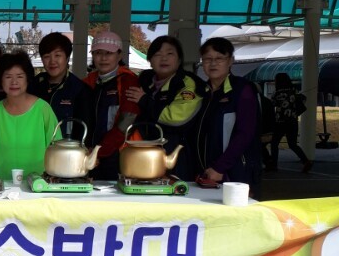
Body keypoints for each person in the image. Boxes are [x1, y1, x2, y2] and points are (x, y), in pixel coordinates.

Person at [124, 35, 204, 181]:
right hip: (143, 154)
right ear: (150, 60)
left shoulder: (187, 83)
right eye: (157, 54)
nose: (164, 58)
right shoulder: (145, 80)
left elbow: (176, 118)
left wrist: (144, 100)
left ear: (179, 59)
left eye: (170, 53)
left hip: (176, 156)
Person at [194, 37, 262, 190]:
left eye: (219, 58)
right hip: (205, 172)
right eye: (207, 59)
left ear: (231, 61)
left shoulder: (242, 89)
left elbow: (245, 133)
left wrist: (219, 167)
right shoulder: (200, 92)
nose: (213, 63)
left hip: (235, 173)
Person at [0, 51, 58, 181]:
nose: (14, 82)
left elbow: (56, 145)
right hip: (0, 182)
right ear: (0, 80)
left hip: (38, 182)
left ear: (28, 79)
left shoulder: (43, 109)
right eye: (8, 77)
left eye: (20, 76)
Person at [83, 31, 141, 180]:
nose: (103, 58)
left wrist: (100, 150)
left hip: (119, 154)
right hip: (88, 154)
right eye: (98, 53)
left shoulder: (127, 80)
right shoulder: (88, 82)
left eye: (109, 53)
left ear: (119, 55)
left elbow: (128, 118)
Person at [34, 32, 92, 139]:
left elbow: (85, 130)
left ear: (67, 57)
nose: (52, 61)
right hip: (35, 146)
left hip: (65, 147)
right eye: (47, 56)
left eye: (57, 55)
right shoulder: (33, 86)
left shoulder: (80, 90)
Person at [270, 72, 312, 173]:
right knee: (292, 144)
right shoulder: (294, 91)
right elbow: (302, 100)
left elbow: (272, 104)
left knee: (274, 143)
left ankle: (273, 165)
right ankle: (306, 161)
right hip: (293, 121)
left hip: (280, 122)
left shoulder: (277, 93)